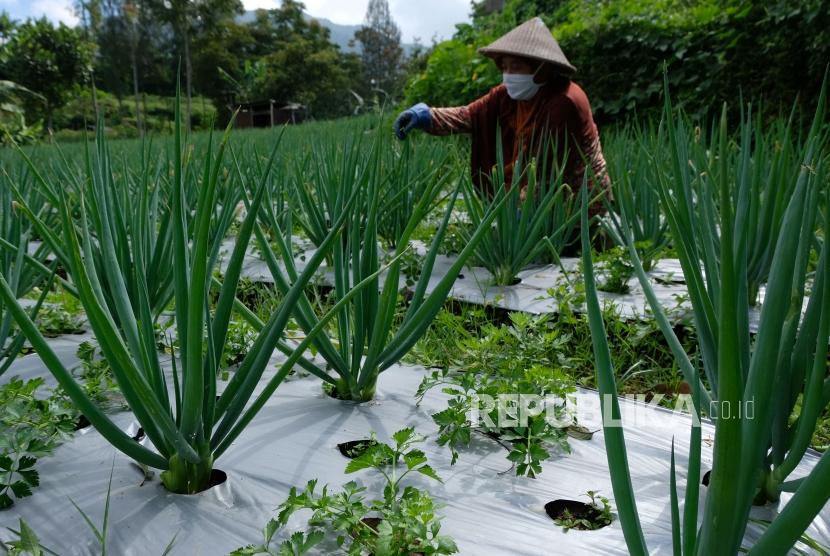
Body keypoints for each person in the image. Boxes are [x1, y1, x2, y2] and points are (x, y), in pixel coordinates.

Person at [394, 17, 610, 209]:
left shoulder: (565, 101)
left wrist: (520, 213)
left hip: (578, 203)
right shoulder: (508, 95)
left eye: (516, 67)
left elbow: (549, 172)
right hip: (531, 194)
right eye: (504, 67)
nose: (508, 75)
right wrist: (427, 116)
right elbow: (469, 115)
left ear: (540, 69)